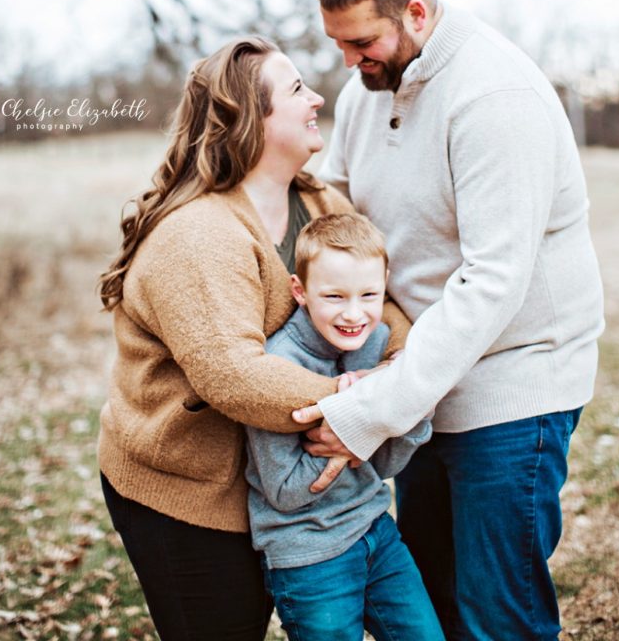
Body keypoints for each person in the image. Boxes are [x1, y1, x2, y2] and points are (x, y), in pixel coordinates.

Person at [293, 0, 605, 641]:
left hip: (511, 384)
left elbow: (492, 280)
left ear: (415, 13)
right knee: (430, 603)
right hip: (420, 376)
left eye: (361, 41)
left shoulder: (494, 97)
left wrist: (372, 411)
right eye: (337, 42)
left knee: (497, 614)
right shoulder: (367, 86)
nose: (346, 60)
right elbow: (336, 206)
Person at [97, 35, 410, 641]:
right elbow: (234, 375)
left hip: (277, 490)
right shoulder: (198, 235)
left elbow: (385, 304)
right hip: (186, 494)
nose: (318, 96)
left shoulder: (320, 202)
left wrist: (395, 369)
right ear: (250, 120)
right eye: (296, 89)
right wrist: (360, 406)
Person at [245, 212, 444, 641]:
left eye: (369, 294)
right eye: (334, 296)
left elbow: (384, 464)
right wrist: (354, 418)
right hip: (309, 557)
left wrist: (405, 412)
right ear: (300, 291)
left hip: (376, 531)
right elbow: (283, 490)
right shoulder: (278, 366)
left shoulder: (377, 345)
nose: (354, 313)